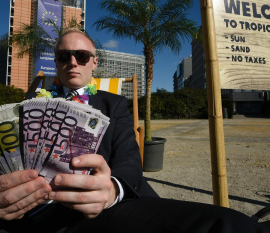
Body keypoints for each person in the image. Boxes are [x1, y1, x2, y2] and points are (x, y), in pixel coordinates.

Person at [0, 28, 269, 233]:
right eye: (63, 56)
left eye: (81, 55)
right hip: (33, 210)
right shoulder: (31, 104)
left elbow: (129, 158)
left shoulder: (113, 103)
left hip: (104, 207)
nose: (73, 62)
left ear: (94, 63)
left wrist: (111, 191)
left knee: (226, 223)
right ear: (56, 63)